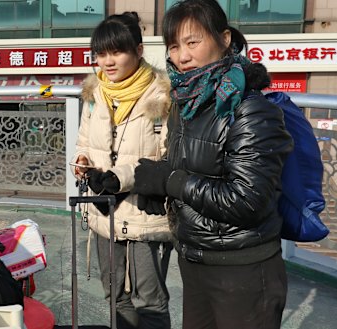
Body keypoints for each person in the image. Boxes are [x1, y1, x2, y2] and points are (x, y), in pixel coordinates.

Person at [132, 0, 293, 328]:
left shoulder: (250, 109)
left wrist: (171, 182)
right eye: (174, 46)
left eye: (193, 42)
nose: (182, 56)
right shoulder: (187, 103)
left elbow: (247, 200)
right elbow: (190, 167)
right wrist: (161, 187)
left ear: (225, 39)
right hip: (196, 263)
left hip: (243, 272)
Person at [72, 12, 173, 329]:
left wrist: (120, 178)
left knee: (150, 301)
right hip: (105, 213)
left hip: (145, 213)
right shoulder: (94, 94)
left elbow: (171, 157)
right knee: (114, 294)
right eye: (101, 54)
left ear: (139, 51)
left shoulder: (163, 95)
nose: (107, 62)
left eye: (117, 52)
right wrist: (82, 162)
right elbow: (84, 142)